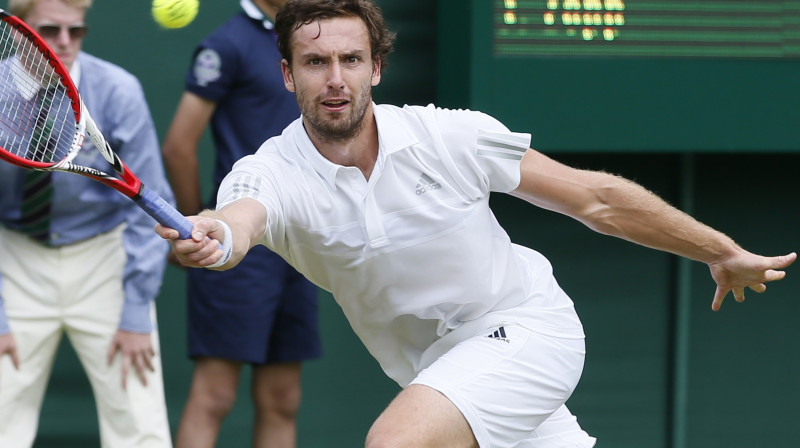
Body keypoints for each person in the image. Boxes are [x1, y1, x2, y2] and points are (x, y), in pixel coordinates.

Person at [156, 0, 797, 446]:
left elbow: (596, 200)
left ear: (376, 68)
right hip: (436, 369)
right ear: (287, 75)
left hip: (527, 328)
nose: (336, 80)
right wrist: (217, 236)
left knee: (395, 442)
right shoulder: (270, 171)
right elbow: (237, 220)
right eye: (317, 63)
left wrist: (719, 250)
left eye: (352, 61)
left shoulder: (450, 135)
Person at [0, 0, 174, 446]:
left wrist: (135, 309)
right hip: (12, 260)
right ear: (19, 31)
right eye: (48, 30)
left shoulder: (118, 90)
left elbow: (148, 201)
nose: (63, 43)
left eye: (75, 31)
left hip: (106, 260)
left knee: (141, 426)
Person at [160, 0, 322, 447]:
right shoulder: (226, 45)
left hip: (299, 242)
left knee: (283, 396)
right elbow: (178, 145)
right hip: (237, 242)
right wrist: (195, 224)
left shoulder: (309, 39)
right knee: (215, 395)